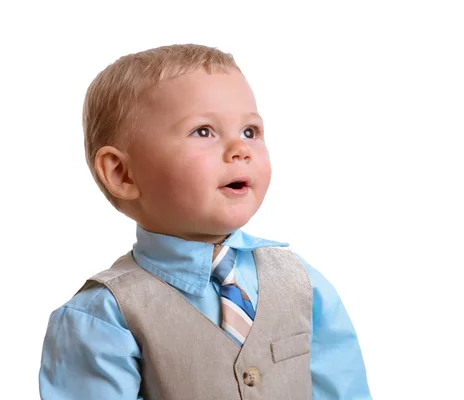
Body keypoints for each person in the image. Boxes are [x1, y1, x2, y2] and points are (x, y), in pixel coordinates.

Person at [38, 43, 372, 399]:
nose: (240, 149)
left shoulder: (303, 284)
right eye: (203, 131)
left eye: (250, 131)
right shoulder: (103, 317)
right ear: (123, 174)